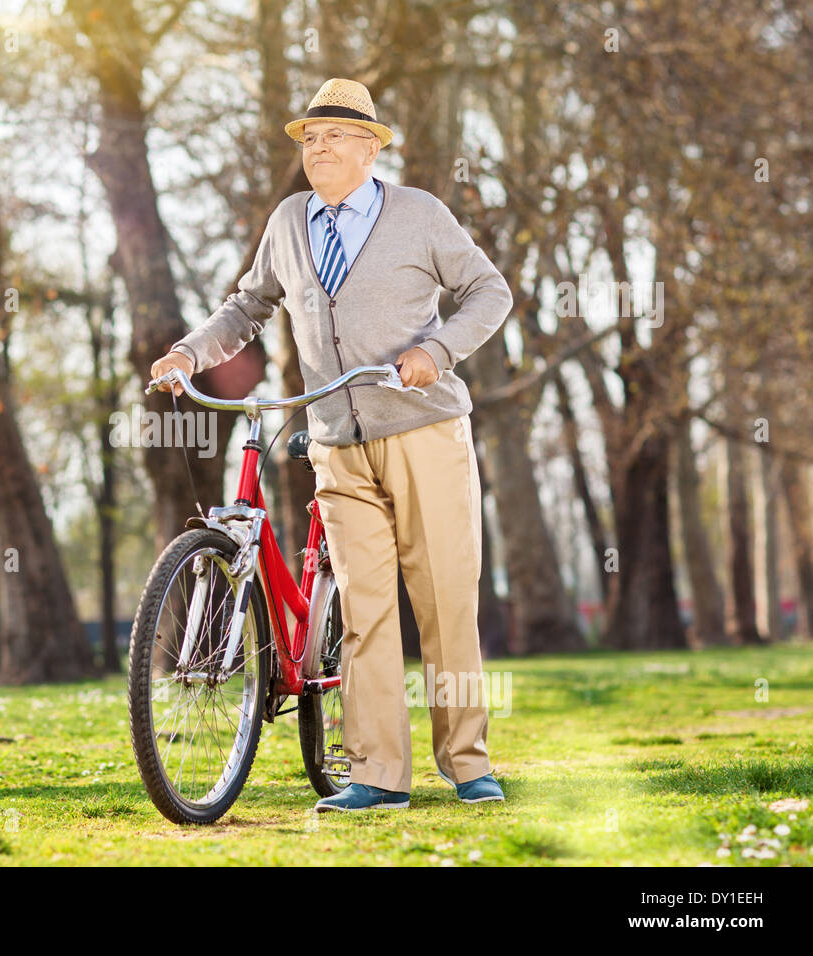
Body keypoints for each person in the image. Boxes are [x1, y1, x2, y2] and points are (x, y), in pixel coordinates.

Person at [149, 77, 512, 811]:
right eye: (310, 138)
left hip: (426, 430)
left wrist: (436, 353)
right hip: (336, 442)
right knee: (366, 610)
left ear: (372, 147)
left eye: (335, 136)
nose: (318, 147)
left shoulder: (419, 214)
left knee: (444, 602)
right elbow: (247, 305)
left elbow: (490, 292)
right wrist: (189, 353)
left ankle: (466, 760)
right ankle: (377, 774)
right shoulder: (289, 221)